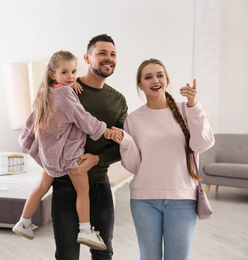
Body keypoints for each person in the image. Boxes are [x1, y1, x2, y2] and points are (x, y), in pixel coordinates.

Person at [12, 50, 122, 250]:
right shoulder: (64, 95)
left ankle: (24, 222)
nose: (71, 76)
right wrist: (105, 131)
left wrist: (70, 85)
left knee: (40, 187)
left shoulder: (48, 91)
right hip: (67, 155)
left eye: (73, 71)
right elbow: (82, 117)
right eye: (65, 72)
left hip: (50, 155)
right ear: (53, 74)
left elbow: (36, 118)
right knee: (83, 189)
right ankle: (86, 230)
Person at [109, 58, 215, 260]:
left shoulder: (187, 109)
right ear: (140, 85)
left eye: (159, 75)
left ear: (167, 79)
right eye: (148, 77)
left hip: (183, 198)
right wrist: (125, 141)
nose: (155, 80)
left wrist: (195, 106)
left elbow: (201, 145)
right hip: (144, 200)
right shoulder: (133, 119)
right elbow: (133, 165)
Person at [51, 34, 128, 260]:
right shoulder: (66, 92)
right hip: (65, 186)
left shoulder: (119, 100)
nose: (109, 58)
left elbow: (121, 143)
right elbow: (44, 127)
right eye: (102, 53)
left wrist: (96, 160)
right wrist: (61, 86)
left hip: (100, 188)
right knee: (66, 255)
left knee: (103, 252)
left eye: (113, 54)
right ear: (87, 57)